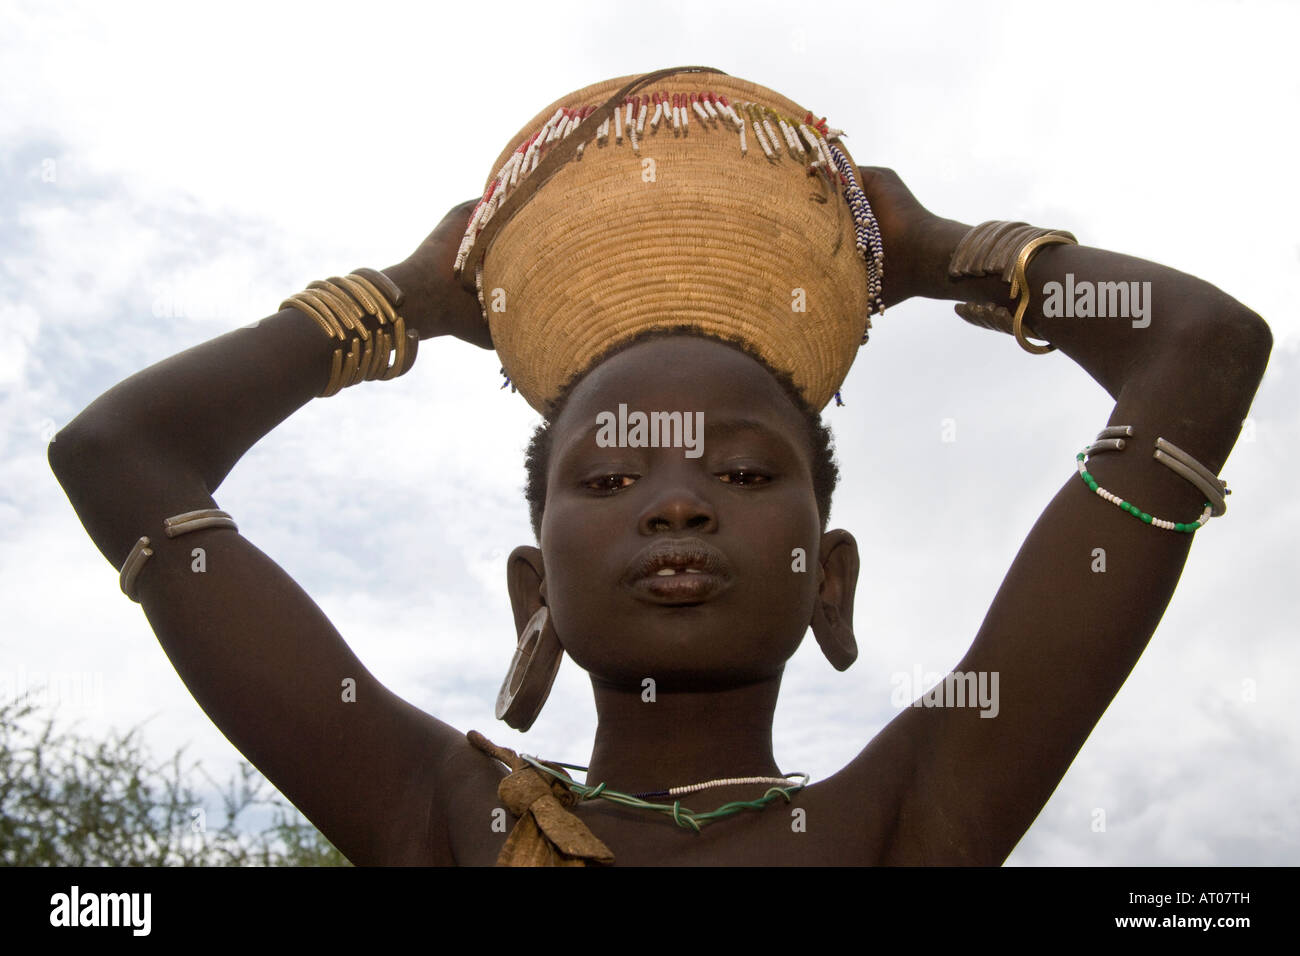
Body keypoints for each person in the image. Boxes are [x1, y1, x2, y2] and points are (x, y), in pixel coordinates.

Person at [48, 70, 1272, 866]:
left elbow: (1204, 350)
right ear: (532, 593)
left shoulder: (914, 810)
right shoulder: (439, 813)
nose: (677, 500)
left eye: (741, 477)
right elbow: (116, 454)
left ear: (827, 578)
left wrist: (950, 249)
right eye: (608, 480)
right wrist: (399, 300)